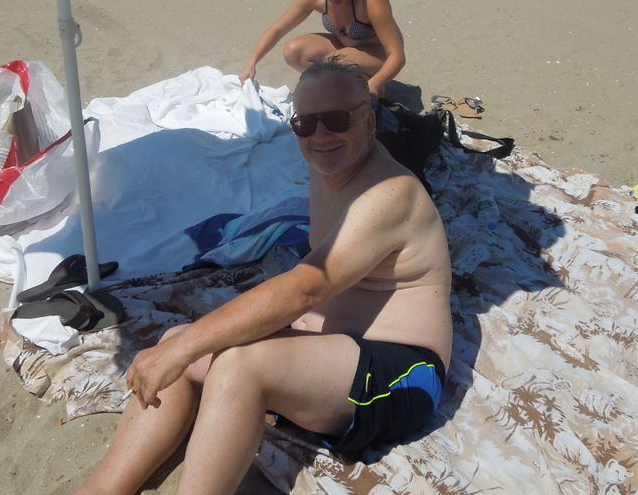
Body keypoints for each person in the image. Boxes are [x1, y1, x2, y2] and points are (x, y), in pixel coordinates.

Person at [71, 59, 452, 495]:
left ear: (368, 120)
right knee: (173, 344)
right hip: (332, 356)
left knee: (237, 366)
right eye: (305, 124)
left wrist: (199, 343)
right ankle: (104, 488)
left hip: (402, 373)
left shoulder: (388, 194)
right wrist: (184, 346)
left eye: (335, 119)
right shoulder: (328, 167)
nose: (320, 136)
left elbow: (308, 285)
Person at [239, 0, 406, 99]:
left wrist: (375, 85)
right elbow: (278, 29)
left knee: (336, 62)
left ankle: (371, 86)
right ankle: (349, 86)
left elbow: (397, 55)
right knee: (293, 51)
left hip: (379, 57)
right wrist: (252, 63)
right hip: (343, 51)